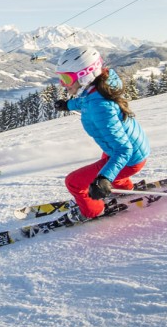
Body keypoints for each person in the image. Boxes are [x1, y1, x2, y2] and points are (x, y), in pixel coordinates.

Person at [54, 46, 150, 222]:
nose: (62, 84)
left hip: (128, 156)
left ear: (85, 76)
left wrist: (104, 179)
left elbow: (123, 150)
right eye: (61, 77)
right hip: (134, 146)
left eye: (66, 78)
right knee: (107, 161)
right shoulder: (99, 87)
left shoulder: (100, 107)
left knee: (74, 182)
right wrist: (68, 106)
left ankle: (92, 210)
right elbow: (86, 102)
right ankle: (124, 189)